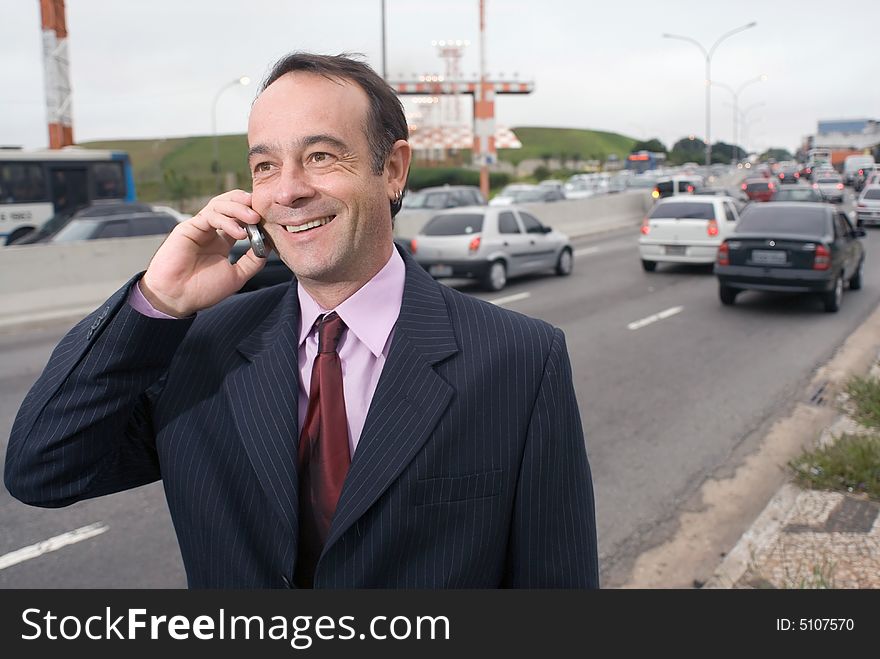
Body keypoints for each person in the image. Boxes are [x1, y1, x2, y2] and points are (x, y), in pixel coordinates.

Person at [4, 53, 599, 588]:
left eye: (320, 156)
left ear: (392, 169)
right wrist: (157, 301)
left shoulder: (521, 357)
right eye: (265, 167)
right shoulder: (195, 349)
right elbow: (44, 470)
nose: (287, 191)